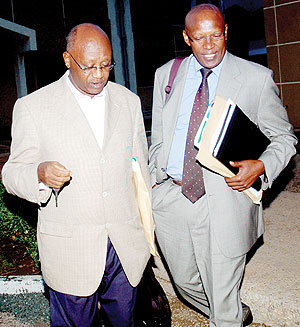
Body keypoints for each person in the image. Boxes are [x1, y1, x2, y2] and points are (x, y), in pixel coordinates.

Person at [149, 4, 297, 327]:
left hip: (225, 200)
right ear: (187, 38)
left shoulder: (255, 79)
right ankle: (230, 310)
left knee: (223, 302)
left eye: (216, 35)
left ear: (226, 31)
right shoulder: (167, 76)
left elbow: (285, 139)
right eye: (200, 38)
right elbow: (157, 140)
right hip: (172, 200)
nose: (210, 45)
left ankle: (227, 315)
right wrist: (152, 186)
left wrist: (261, 166)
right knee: (186, 284)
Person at [2, 23, 151, 327]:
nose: (98, 75)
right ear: (68, 60)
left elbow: (141, 175)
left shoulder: (128, 102)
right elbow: (12, 173)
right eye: (89, 66)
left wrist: (148, 235)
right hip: (70, 248)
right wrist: (39, 174)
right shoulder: (33, 107)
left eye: (106, 65)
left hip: (124, 246)